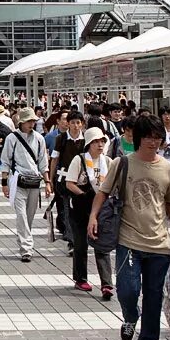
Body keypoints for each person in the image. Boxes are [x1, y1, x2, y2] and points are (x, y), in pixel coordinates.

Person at [87, 114, 170, 340]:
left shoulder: (169, 170)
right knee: (128, 290)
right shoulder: (123, 163)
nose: (154, 142)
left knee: (154, 294)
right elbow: (104, 192)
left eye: (158, 137)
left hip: (159, 243)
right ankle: (130, 315)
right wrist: (93, 217)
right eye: (149, 137)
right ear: (139, 138)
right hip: (128, 239)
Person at [64, 126, 113, 298]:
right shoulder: (79, 160)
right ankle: (80, 278)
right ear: (89, 144)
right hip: (80, 207)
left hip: (101, 208)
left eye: (102, 141)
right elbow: (69, 183)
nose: (100, 145)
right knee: (80, 244)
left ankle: (106, 283)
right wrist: (83, 194)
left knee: (102, 244)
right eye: (96, 142)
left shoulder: (107, 161)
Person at [0, 107, 51, 262]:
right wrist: (4, 183)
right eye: (29, 121)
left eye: (33, 121)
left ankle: (24, 240)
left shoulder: (39, 138)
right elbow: (5, 161)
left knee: (29, 216)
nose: (32, 124)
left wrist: (47, 182)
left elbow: (43, 162)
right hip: (18, 180)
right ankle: (26, 248)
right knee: (21, 215)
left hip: (35, 181)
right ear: (21, 122)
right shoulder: (12, 138)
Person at [49, 111, 87, 253]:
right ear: (68, 123)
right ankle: (72, 241)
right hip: (65, 180)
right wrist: (50, 180)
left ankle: (81, 238)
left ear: (82, 123)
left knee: (81, 209)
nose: (76, 126)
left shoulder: (86, 139)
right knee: (66, 209)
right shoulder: (61, 138)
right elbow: (54, 159)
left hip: (83, 181)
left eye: (78, 122)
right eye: (72, 122)